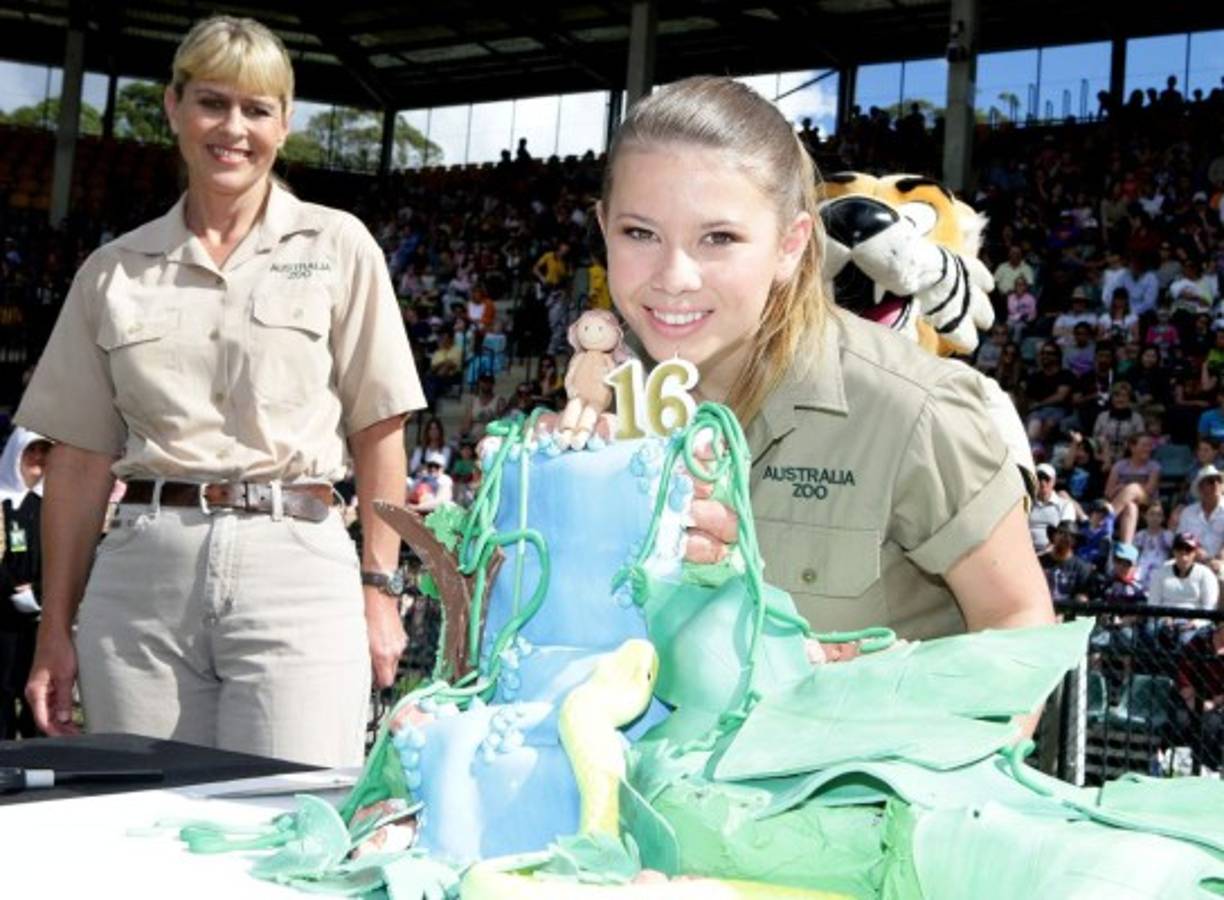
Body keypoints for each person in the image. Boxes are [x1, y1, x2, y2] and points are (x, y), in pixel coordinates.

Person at [15, 16, 424, 767]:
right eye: (211, 103)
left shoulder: (340, 247)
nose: (233, 128)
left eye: (257, 109)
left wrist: (379, 591)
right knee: (140, 830)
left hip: (297, 568)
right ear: (173, 108)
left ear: (285, 123)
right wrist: (54, 629)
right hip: (140, 579)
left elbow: (379, 430)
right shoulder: (111, 270)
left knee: (291, 825)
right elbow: (77, 464)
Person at [596, 76, 1054, 642]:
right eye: (640, 233)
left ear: (791, 246)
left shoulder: (911, 410)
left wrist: (869, 690)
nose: (673, 279)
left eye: (718, 238)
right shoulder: (608, 404)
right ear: (603, 229)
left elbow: (1019, 624)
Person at [0, 429, 51, 739]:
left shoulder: (52, 502)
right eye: (31, 450)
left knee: (37, 684)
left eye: (45, 451)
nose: (38, 459)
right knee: (3, 684)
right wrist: (11, 590)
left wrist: (40, 593)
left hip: (41, 611)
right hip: (2, 611)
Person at [1105, 434, 1161, 544]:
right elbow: (1108, 493)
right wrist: (1119, 489)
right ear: (1132, 447)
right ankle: (1126, 550)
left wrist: (1124, 487)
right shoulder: (1120, 465)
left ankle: (1105, 522)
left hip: (1147, 504)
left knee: (1133, 488)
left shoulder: (1154, 466)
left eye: (1150, 446)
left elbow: (1149, 490)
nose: (1148, 449)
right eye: (1144, 445)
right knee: (1131, 507)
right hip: (1123, 505)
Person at [1178, 465, 1224, 577]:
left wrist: (1219, 560)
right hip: (1193, 560)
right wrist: (1197, 553)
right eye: (1210, 481)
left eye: (1219, 480)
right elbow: (1182, 538)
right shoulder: (1188, 512)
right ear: (1201, 488)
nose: (1216, 484)